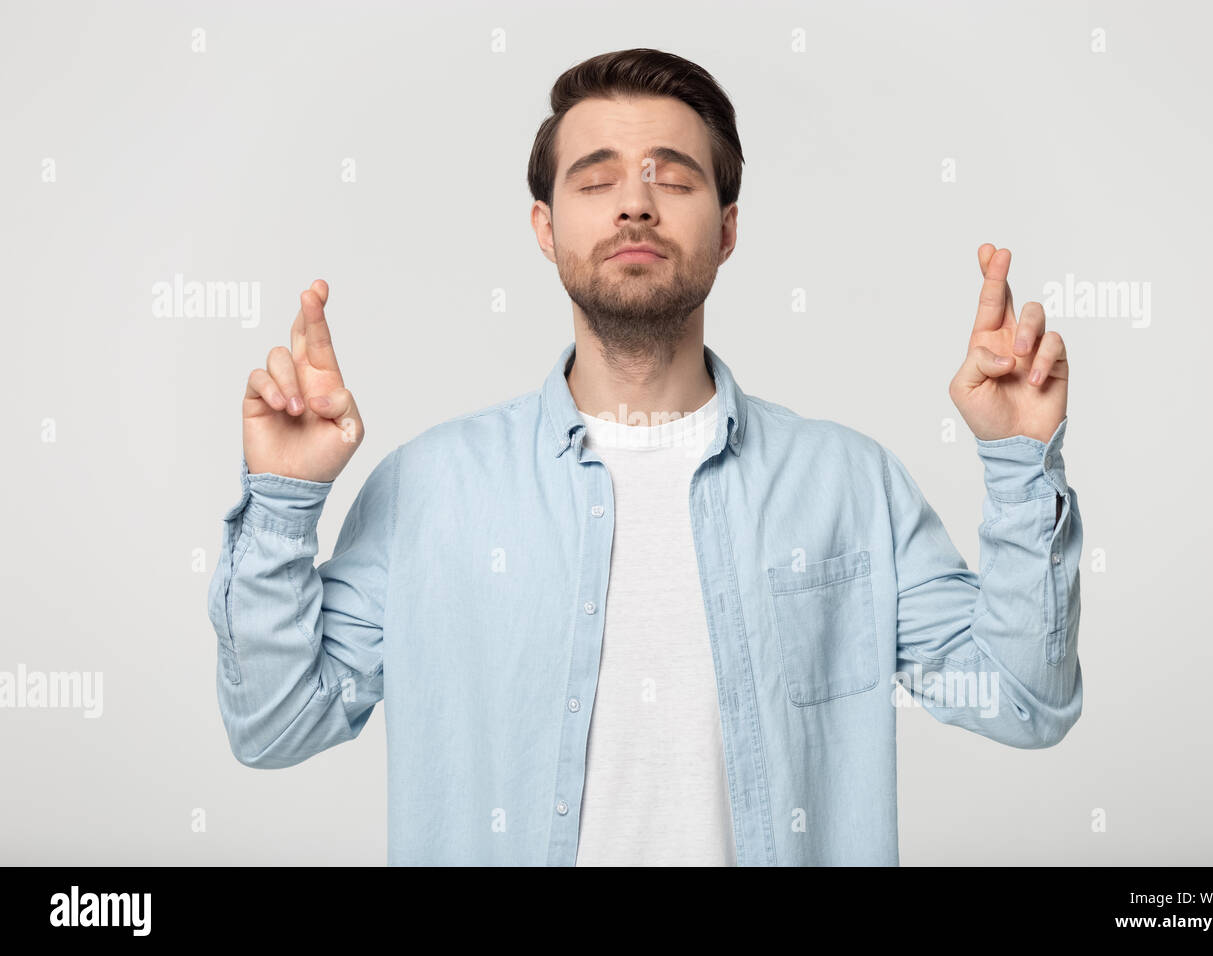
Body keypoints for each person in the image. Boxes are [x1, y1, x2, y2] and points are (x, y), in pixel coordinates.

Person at [208, 48, 1082, 866]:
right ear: (545, 230)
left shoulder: (852, 486)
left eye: (673, 178)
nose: (635, 203)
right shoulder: (429, 491)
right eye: (598, 181)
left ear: (729, 227)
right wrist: (284, 499)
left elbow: (1024, 700)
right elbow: (276, 726)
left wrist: (1017, 461)